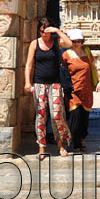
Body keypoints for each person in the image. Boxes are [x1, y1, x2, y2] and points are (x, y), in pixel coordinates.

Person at [24, 18, 73, 159]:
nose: (44, 35)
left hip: (55, 84)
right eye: (41, 32)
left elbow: (69, 43)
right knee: (41, 115)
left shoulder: (56, 42)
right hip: (39, 83)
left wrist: (57, 31)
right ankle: (42, 146)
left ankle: (61, 144)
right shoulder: (35, 44)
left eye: (46, 32)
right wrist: (28, 82)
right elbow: (29, 64)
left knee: (57, 114)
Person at [62, 28, 100, 152]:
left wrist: (99, 80)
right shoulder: (66, 54)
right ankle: (75, 142)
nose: (77, 43)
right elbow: (62, 72)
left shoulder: (87, 52)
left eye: (79, 41)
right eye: (74, 41)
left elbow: (93, 67)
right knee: (75, 117)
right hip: (73, 90)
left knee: (84, 117)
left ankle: (82, 138)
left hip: (86, 90)